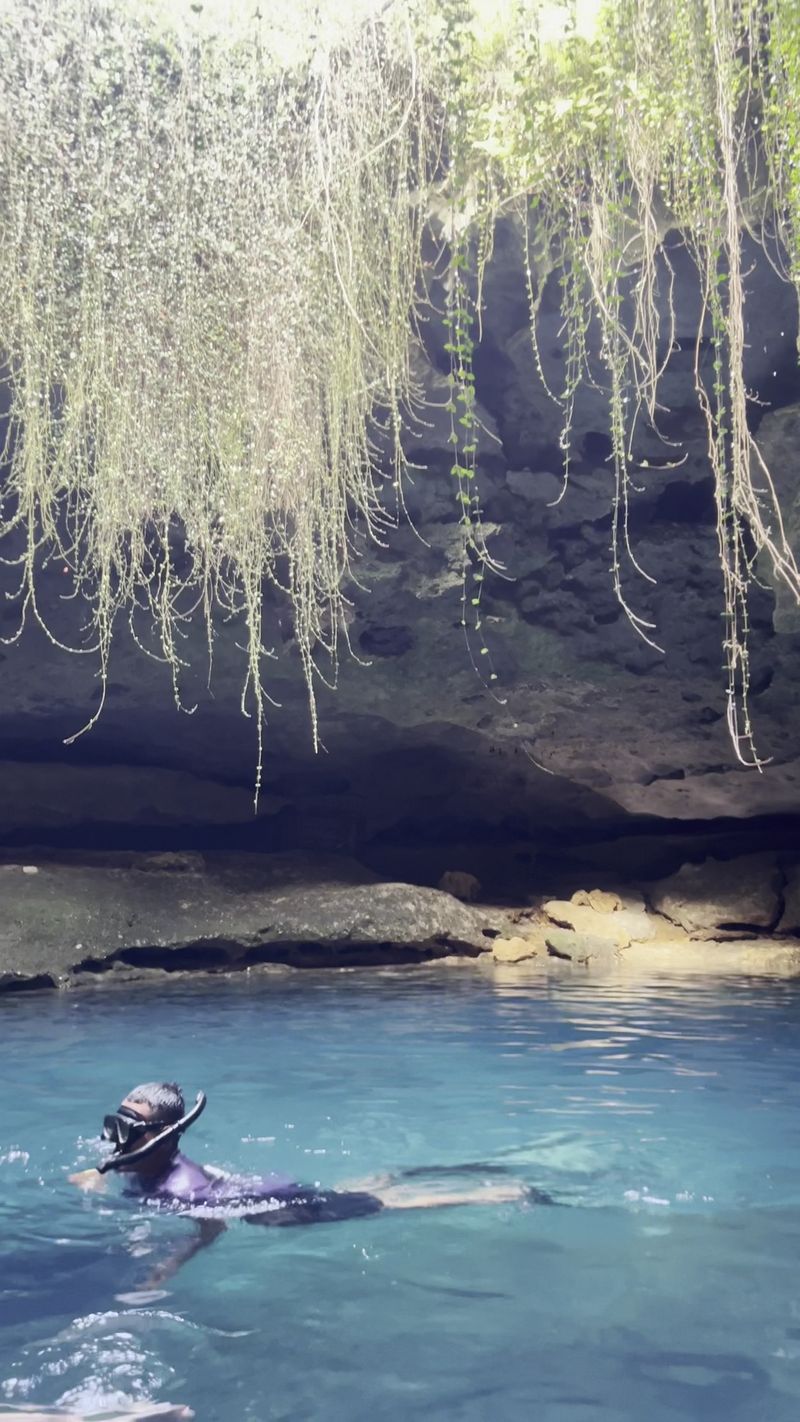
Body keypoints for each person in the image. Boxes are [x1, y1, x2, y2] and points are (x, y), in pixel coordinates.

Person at [69, 1082, 543, 1287]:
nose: (117, 1138)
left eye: (132, 1129)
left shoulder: (181, 1188)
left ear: (163, 1135)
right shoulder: (144, 1160)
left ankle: (490, 1192)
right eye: (118, 1123)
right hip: (257, 1187)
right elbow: (125, 1160)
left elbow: (212, 1228)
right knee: (353, 1191)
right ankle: (392, 1174)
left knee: (387, 1206)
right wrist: (98, 1172)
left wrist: (167, 1268)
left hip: (278, 1209)